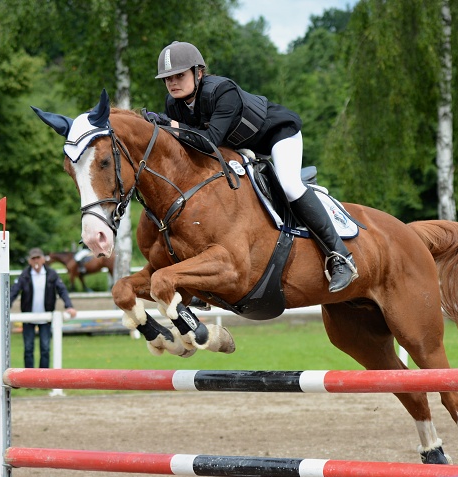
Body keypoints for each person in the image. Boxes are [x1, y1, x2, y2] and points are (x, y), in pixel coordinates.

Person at [149, 41, 357, 292]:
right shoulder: (174, 105)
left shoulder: (222, 91)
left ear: (199, 72)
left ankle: (341, 257)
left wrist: (172, 127)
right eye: (167, 78)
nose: (173, 83)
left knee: (289, 186)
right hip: (241, 150)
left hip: (277, 136)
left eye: (179, 76)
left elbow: (211, 141)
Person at [10, 247, 77, 368]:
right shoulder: (24, 275)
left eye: (38, 258)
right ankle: (29, 378)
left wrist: (69, 306)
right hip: (28, 317)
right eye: (33, 258)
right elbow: (13, 292)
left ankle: (43, 378)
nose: (36, 261)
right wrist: (6, 307)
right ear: (29, 261)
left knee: (45, 348)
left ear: (43, 260)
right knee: (28, 348)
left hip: (46, 317)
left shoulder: (52, 274)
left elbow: (62, 290)